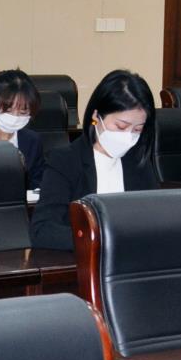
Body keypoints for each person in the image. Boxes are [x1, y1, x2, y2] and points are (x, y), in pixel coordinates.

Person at [30, 70, 159, 250]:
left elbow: (155, 220)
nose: (128, 136)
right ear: (96, 116)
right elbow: (42, 230)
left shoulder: (138, 162)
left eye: (137, 129)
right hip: (85, 260)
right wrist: (98, 239)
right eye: (121, 126)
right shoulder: (65, 161)